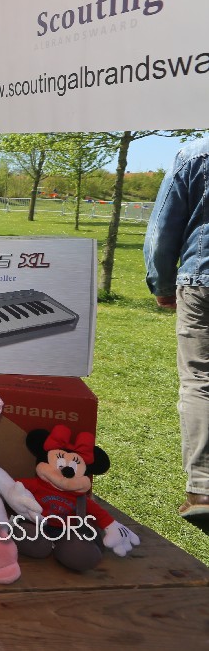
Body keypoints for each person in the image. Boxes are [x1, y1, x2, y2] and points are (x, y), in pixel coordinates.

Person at [144, 136, 209, 520]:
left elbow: (162, 229)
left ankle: (203, 488)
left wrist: (162, 285)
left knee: (201, 380)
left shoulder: (195, 153)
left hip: (202, 280)